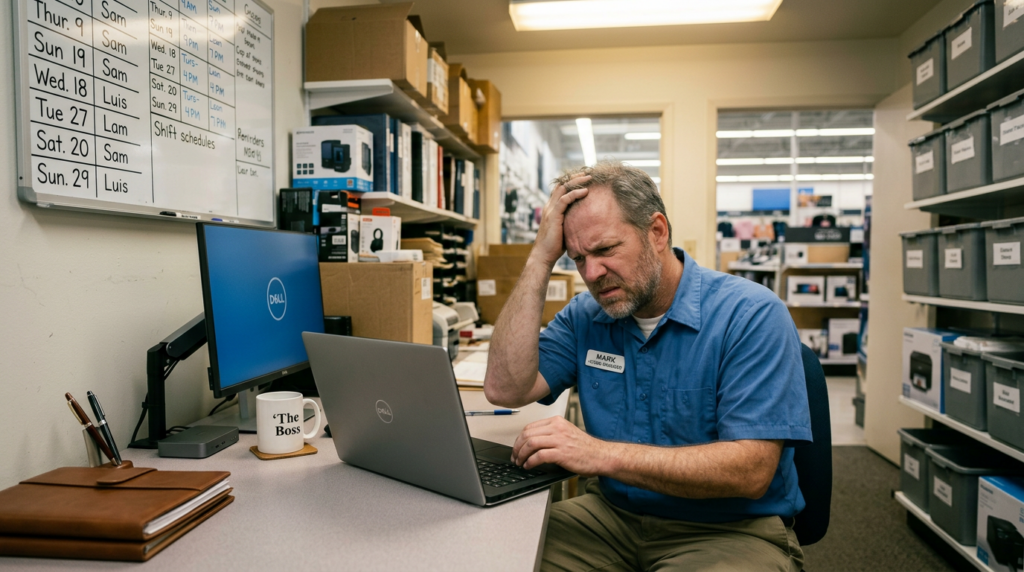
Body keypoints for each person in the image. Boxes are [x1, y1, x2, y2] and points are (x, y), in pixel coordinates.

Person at [483, 161, 812, 571]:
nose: (592, 273)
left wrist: (599, 455)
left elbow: (750, 471)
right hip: (609, 519)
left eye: (604, 250)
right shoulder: (586, 315)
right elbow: (504, 388)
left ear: (657, 232)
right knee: (492, 554)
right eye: (577, 258)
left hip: (728, 530)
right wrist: (539, 258)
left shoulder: (749, 315)